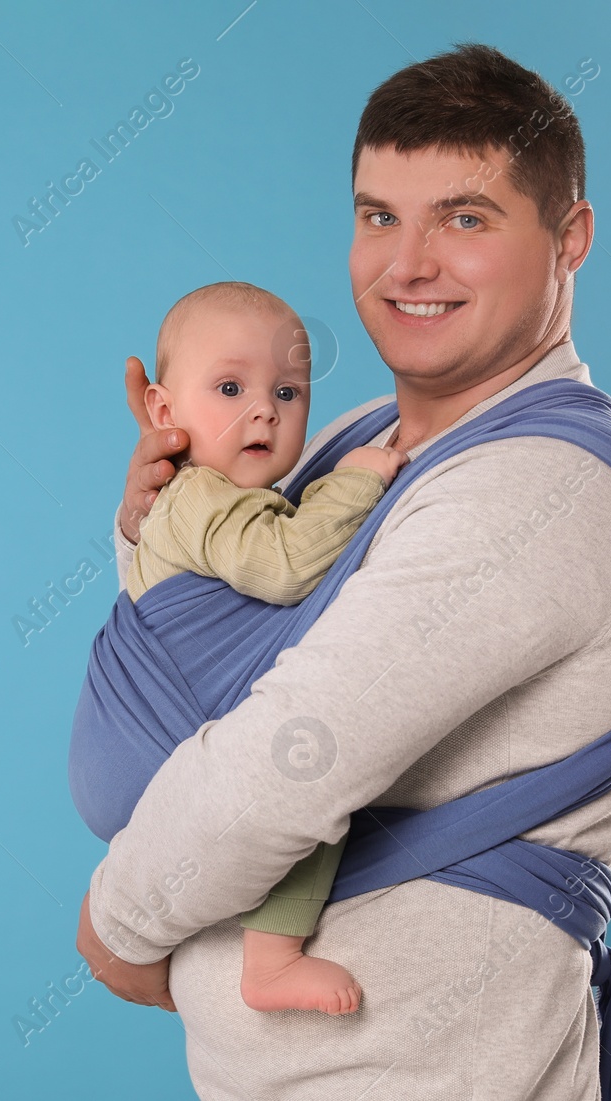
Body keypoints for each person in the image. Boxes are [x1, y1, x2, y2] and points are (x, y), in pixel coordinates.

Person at [75, 42, 611, 1100]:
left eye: (464, 218)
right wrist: (151, 515)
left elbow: (283, 759)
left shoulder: (539, 491)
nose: (406, 265)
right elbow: (220, 608)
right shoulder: (366, 437)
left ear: (568, 238)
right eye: (376, 217)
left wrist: (117, 927)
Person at [122, 278, 408, 1015]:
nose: (263, 410)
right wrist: (352, 484)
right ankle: (272, 959)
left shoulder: (203, 497)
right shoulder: (202, 496)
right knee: (313, 792)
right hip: (180, 726)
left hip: (176, 734)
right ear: (163, 409)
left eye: (288, 392)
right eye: (228, 387)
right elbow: (283, 568)